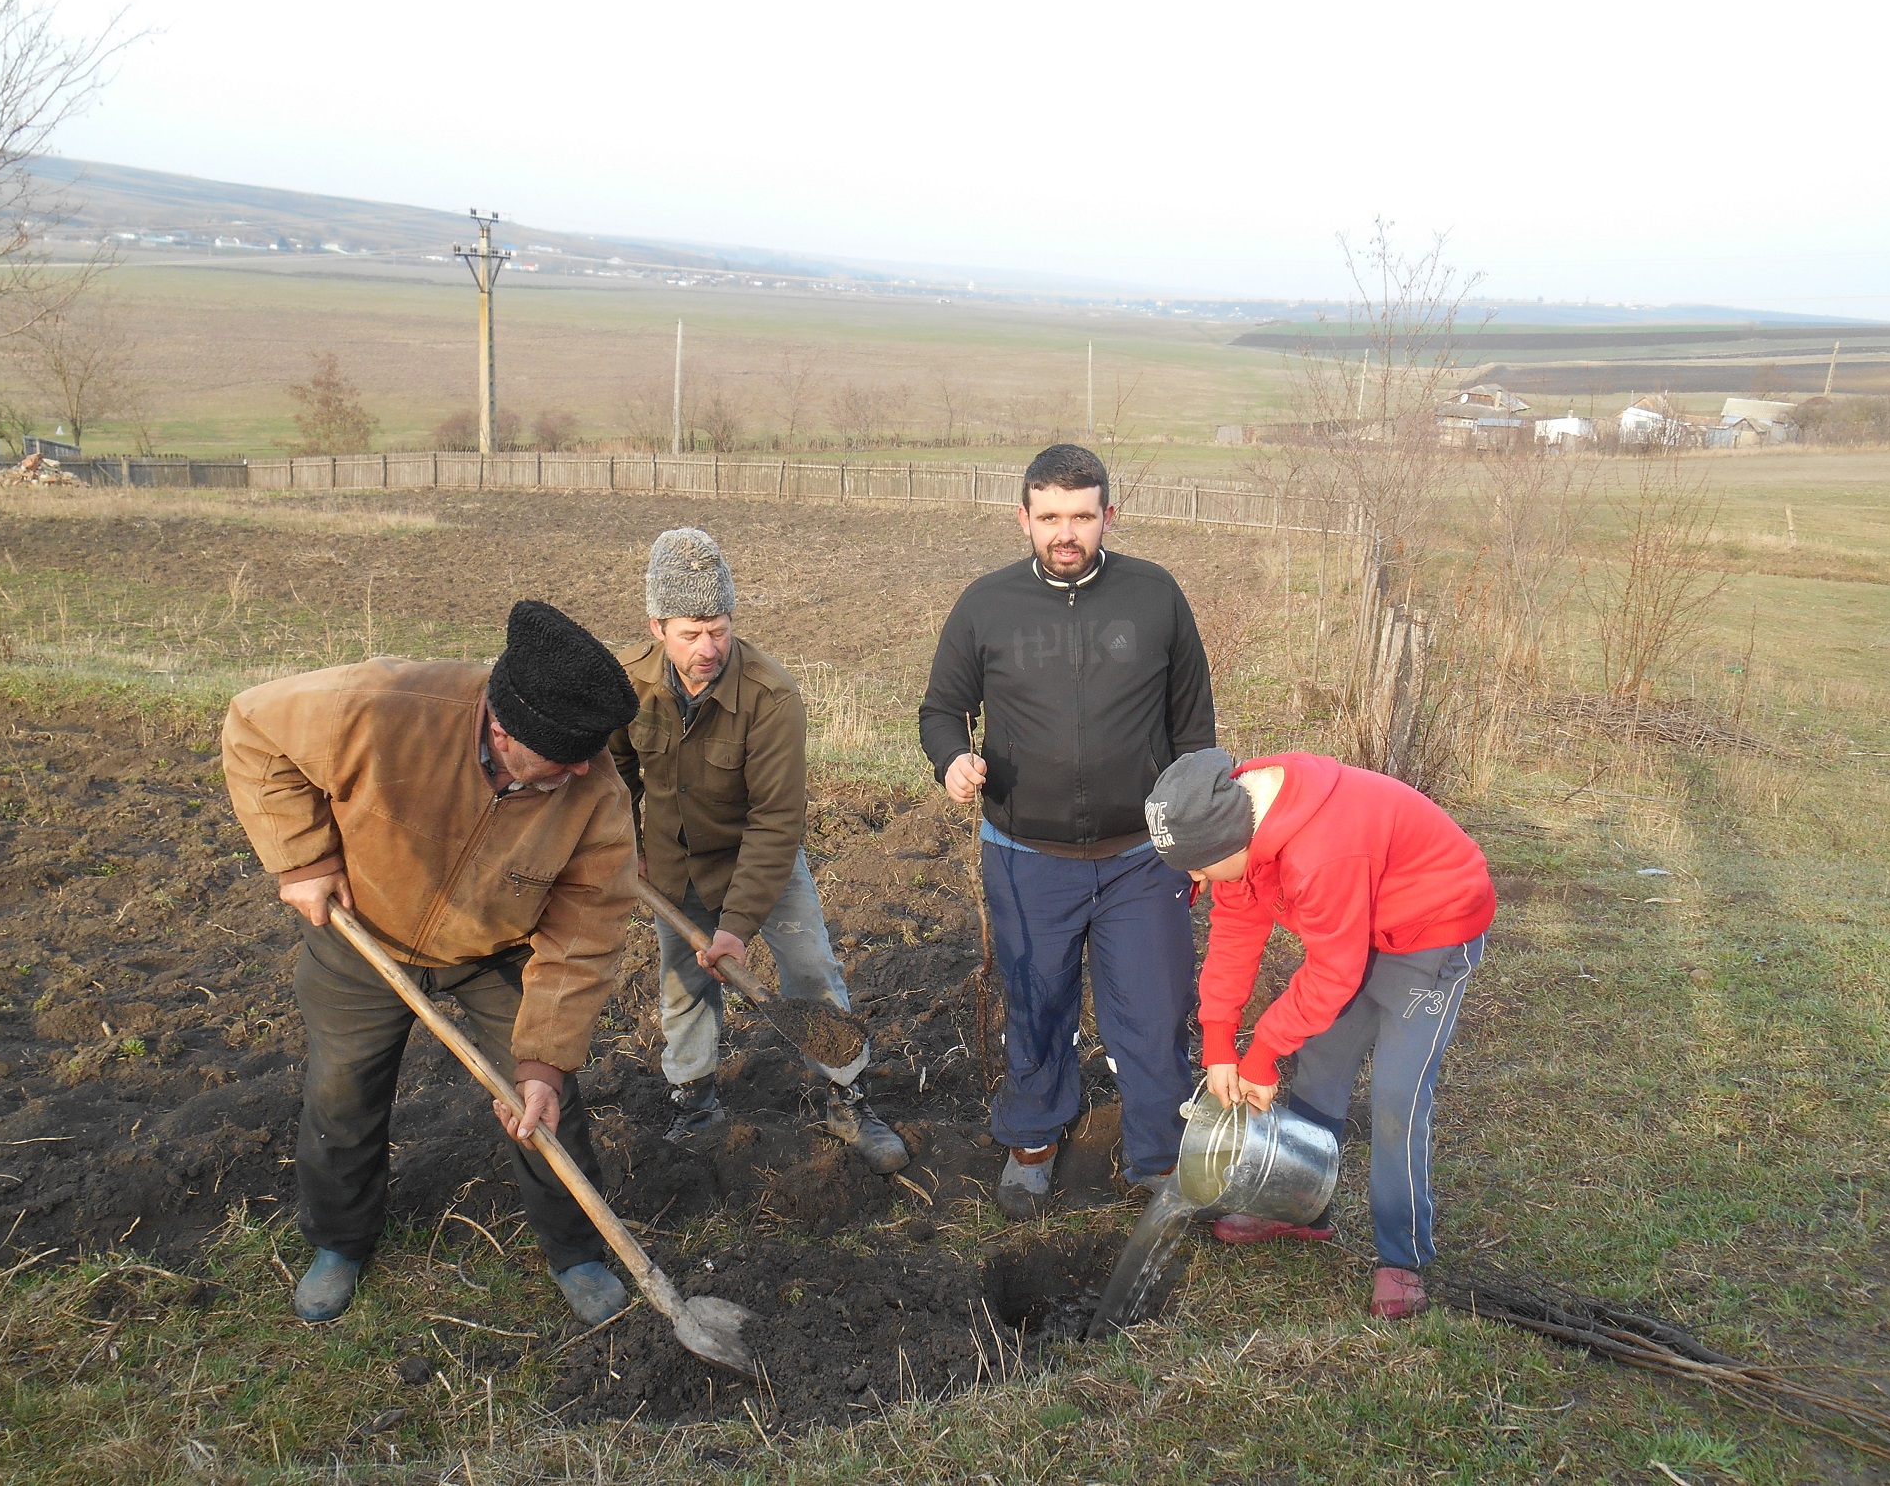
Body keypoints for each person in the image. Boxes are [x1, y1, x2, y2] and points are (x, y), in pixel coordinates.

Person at [221, 601, 642, 1325]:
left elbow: (583, 941)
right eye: (564, 762)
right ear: (504, 732)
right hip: (364, 932)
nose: (584, 770)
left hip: (495, 950)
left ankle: (577, 1250)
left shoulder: (594, 795)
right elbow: (254, 726)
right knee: (343, 1094)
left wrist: (541, 1063)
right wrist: (304, 858)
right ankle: (340, 1243)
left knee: (545, 1103)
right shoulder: (387, 705)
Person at [919, 443, 1216, 1219]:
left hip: (1139, 858)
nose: (1066, 532)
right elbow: (940, 710)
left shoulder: (1155, 596)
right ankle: (1034, 1140)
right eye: (1049, 517)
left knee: (1152, 1011)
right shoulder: (986, 605)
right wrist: (953, 760)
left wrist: (1190, 837)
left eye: (1081, 516)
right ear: (1023, 518)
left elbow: (1194, 729)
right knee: (1036, 1002)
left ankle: (1157, 1157)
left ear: (1107, 516)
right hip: (1026, 856)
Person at [1143, 746, 1496, 1319]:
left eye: (1200, 868)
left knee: (1396, 1100)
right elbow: (1235, 935)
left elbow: (1333, 973)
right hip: (1356, 930)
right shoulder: (1238, 828)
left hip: (1433, 930)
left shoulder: (1322, 849)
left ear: (1228, 844)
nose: (1195, 879)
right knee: (1321, 1066)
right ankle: (1302, 1202)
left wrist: (1261, 1052)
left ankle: (1401, 1257)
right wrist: (1218, 1040)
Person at [608, 528, 908, 1172]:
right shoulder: (629, 685)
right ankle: (695, 1104)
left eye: (719, 628)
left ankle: (848, 1096)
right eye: (691, 633)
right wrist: (628, 844)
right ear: (657, 626)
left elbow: (777, 823)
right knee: (683, 983)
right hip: (673, 863)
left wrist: (738, 928)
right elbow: (614, 772)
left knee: (810, 972)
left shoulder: (771, 697)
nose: (708, 647)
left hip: (761, 860)